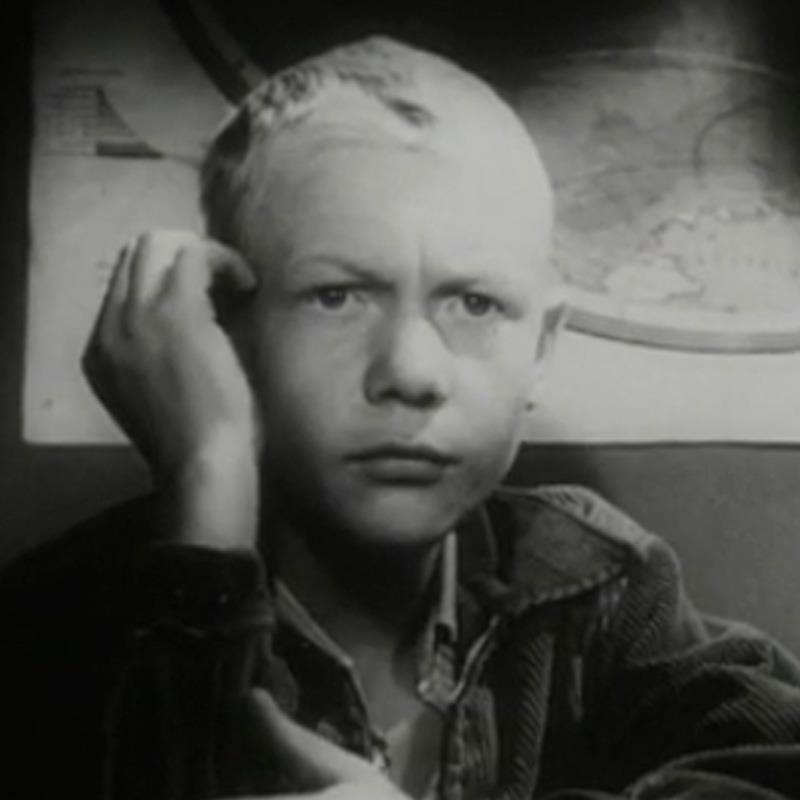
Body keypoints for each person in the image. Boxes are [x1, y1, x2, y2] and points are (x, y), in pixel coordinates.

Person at [3, 36, 800, 800]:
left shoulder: (599, 587)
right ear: (224, 329)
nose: (412, 373)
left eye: (475, 303)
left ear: (543, 347)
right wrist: (208, 479)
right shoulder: (50, 628)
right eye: (336, 297)